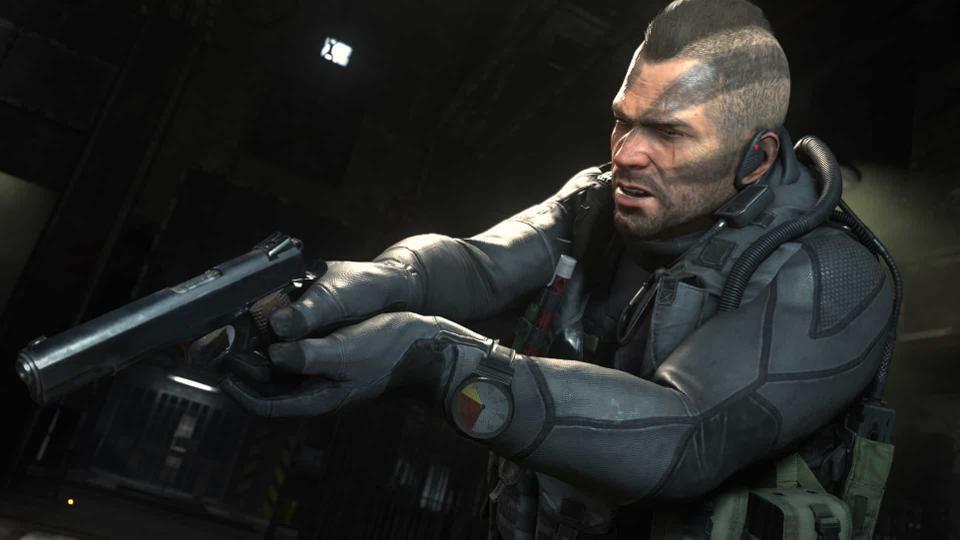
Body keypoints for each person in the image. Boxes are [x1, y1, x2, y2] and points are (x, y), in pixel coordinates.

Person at [217, 0, 895, 537]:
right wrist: (373, 281)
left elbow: (685, 436)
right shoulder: (602, 201)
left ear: (756, 158)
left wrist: (433, 359)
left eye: (669, 132)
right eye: (624, 121)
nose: (626, 154)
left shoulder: (834, 275)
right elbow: (478, 264)